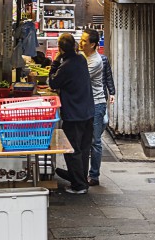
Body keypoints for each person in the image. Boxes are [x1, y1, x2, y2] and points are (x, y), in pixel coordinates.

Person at [48, 32, 94, 195]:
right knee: (83, 148)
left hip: (74, 114)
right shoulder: (80, 59)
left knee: (72, 149)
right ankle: (80, 178)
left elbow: (53, 82)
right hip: (88, 111)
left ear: (60, 49)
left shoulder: (65, 66)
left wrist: (55, 62)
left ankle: (79, 185)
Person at [79, 28, 115, 186]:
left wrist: (112, 92)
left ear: (93, 44)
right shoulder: (83, 57)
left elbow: (80, 79)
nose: (81, 43)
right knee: (87, 140)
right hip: (88, 104)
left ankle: (94, 176)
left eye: (84, 41)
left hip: (97, 104)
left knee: (95, 141)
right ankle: (83, 173)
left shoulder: (96, 61)